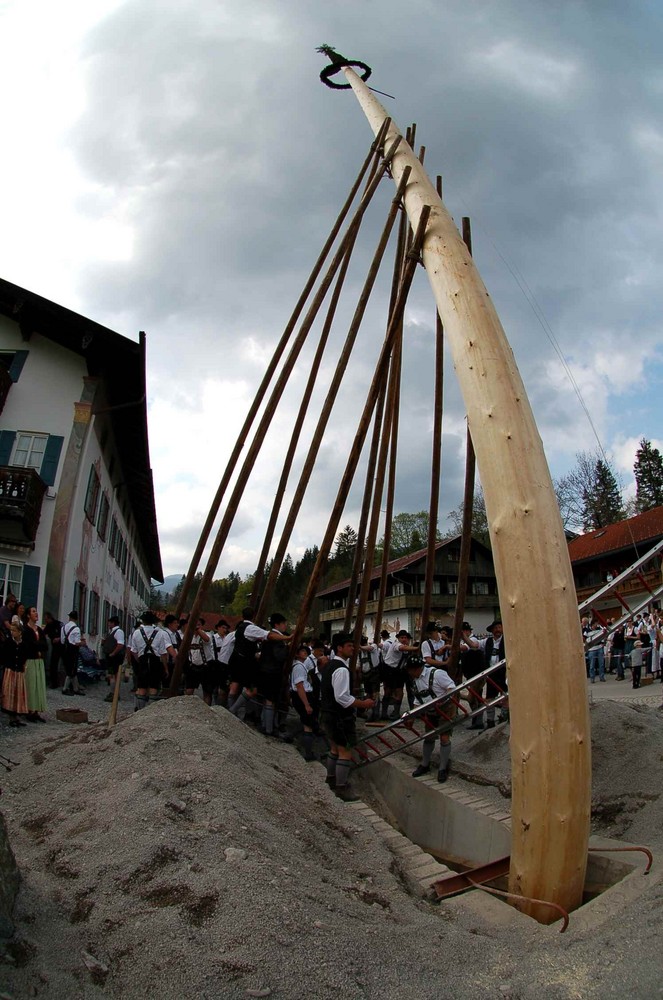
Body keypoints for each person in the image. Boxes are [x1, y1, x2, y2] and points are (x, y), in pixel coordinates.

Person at [319, 631, 375, 802]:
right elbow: (342, 697)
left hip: (328, 714)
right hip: (339, 717)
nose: (353, 649)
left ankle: (331, 779)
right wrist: (363, 704)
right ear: (339, 648)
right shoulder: (341, 669)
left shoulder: (328, 666)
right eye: (349, 646)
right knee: (345, 751)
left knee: (334, 749)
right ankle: (341, 787)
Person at [227, 607, 290, 719]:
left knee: (235, 687)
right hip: (245, 662)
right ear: (254, 616)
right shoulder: (250, 628)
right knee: (252, 689)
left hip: (236, 659)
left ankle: (232, 712)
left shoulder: (239, 628)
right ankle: (232, 711)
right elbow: (269, 635)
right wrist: (288, 637)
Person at [406, 652, 456, 781]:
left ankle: (443, 768)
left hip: (445, 708)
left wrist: (442, 699)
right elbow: (417, 701)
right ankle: (425, 764)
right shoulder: (415, 681)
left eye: (410, 670)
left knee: (444, 737)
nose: (409, 673)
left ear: (416, 669)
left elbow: (452, 688)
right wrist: (411, 716)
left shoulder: (437, 674)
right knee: (429, 736)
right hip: (430, 709)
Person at [129, 611, 177, 710]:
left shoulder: (136, 632)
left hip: (142, 659)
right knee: (153, 686)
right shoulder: (160, 632)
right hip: (155, 660)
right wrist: (165, 668)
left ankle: (140, 710)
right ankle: (150, 710)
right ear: (153, 621)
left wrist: (139, 660)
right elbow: (163, 653)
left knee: (141, 686)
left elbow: (133, 651)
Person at [255, 613, 290, 737]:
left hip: (265, 671)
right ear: (277, 624)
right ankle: (269, 729)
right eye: (283, 623)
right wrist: (288, 649)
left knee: (268, 699)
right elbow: (279, 656)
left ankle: (267, 725)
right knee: (270, 700)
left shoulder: (269, 637)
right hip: (272, 672)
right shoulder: (277, 639)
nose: (285, 625)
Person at [380, 629, 418, 721]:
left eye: (405, 638)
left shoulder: (407, 647)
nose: (404, 639)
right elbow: (402, 648)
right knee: (388, 691)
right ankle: (384, 713)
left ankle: (396, 713)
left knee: (399, 692)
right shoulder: (396, 644)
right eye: (402, 637)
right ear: (398, 638)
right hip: (389, 669)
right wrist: (416, 648)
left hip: (399, 671)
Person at [290, 643, 319, 760]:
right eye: (302, 651)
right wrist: (306, 704)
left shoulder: (299, 666)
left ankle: (292, 737)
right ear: (297, 654)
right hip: (302, 696)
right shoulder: (298, 667)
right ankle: (308, 753)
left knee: (307, 722)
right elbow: (300, 686)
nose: (305, 652)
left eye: (305, 651)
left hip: (302, 695)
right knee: (308, 725)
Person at [21, 606, 48, 722]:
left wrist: (37, 645)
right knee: (30, 685)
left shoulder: (40, 630)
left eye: (36, 611)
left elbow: (45, 646)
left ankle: (36, 710)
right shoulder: (26, 629)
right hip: (30, 660)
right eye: (33, 611)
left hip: (39, 660)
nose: (36, 613)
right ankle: (29, 710)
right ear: (28, 615)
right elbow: (28, 646)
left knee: (38, 685)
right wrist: (37, 645)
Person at [481, 620, 508, 727]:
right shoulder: (487, 641)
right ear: (492, 630)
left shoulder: (507, 640)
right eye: (495, 628)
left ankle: (504, 719)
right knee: (489, 698)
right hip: (491, 673)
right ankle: (490, 722)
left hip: (504, 672)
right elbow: (473, 644)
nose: (497, 630)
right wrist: (463, 637)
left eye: (499, 627)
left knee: (505, 696)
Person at [1, 622, 29, 726]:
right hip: (11, 670)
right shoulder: (9, 642)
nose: (12, 632)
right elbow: (4, 655)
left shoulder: (23, 644)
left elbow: (25, 655)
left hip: (19, 671)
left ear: (20, 632)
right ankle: (11, 717)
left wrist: (23, 665)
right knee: (10, 693)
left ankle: (16, 716)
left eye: (14, 630)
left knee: (18, 693)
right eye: (11, 630)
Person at [184, 618, 214, 704]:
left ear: (202, 626)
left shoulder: (208, 634)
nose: (196, 626)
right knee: (189, 690)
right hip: (193, 666)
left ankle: (207, 710)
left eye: (199, 624)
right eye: (195, 624)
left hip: (206, 666)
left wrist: (197, 628)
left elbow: (206, 639)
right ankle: (188, 708)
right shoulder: (189, 637)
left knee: (207, 692)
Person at [101, 615, 126, 703]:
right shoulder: (112, 632)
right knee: (112, 674)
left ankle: (113, 693)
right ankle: (113, 693)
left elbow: (120, 645)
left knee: (113, 675)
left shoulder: (118, 632)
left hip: (115, 657)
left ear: (113, 623)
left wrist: (113, 653)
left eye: (109, 623)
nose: (108, 624)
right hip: (111, 657)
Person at [60, 611, 85, 696]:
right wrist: (83, 643)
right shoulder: (76, 629)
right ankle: (65, 688)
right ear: (76, 619)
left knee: (70, 669)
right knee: (71, 670)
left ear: (69, 617)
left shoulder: (63, 627)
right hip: (73, 650)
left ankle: (75, 688)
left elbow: (62, 640)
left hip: (64, 649)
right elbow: (77, 642)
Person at [42, 612, 63, 689]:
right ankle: (54, 683)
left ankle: (62, 681)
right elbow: (43, 633)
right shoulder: (48, 626)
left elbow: (65, 633)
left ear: (49, 618)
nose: (45, 620)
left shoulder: (58, 624)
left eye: (46, 619)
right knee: (53, 664)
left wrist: (59, 638)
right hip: (55, 647)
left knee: (61, 665)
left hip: (62, 646)